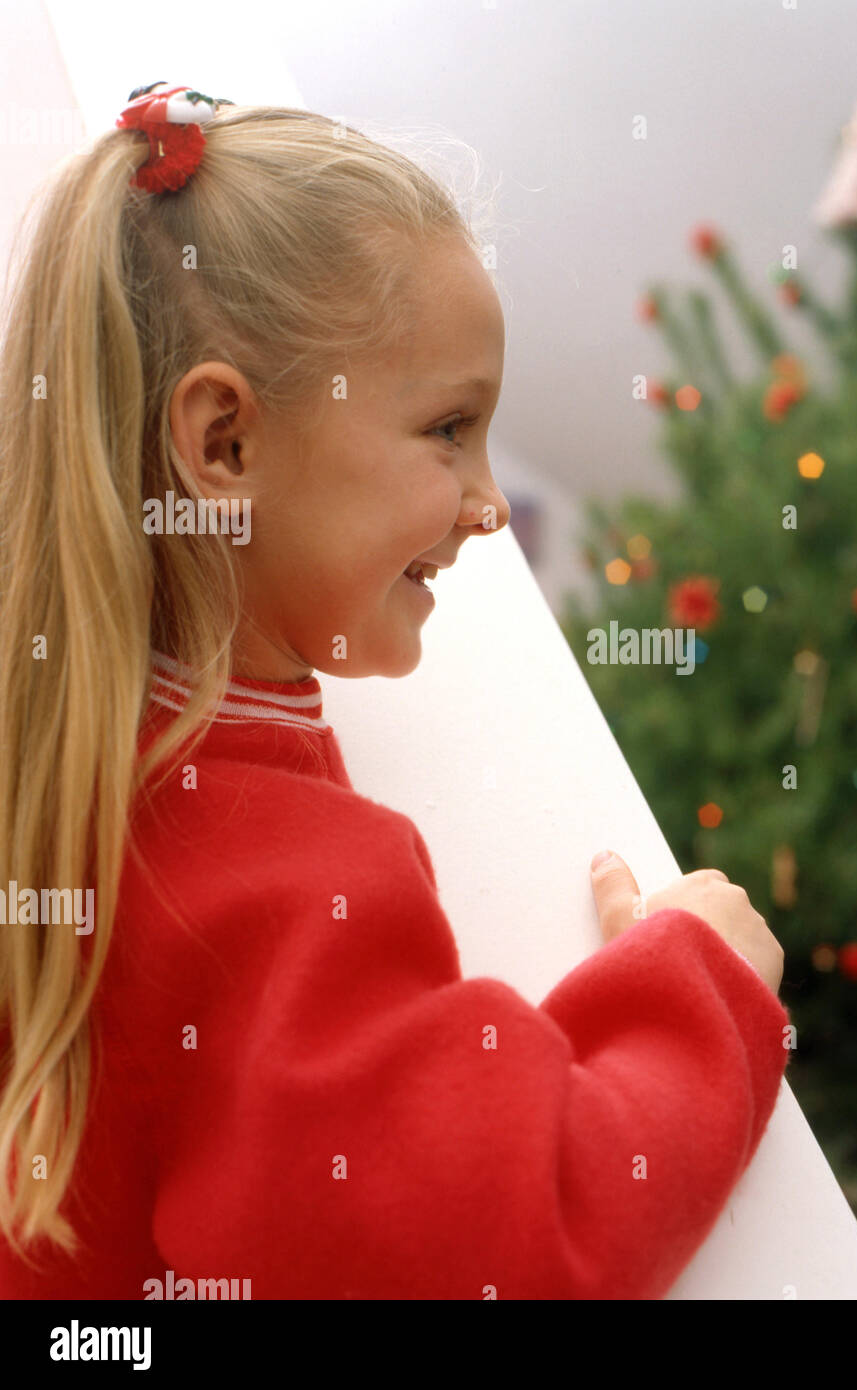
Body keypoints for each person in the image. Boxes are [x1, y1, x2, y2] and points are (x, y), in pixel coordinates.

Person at [0, 84, 788, 1298]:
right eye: (447, 427)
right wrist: (704, 985)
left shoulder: (70, 787)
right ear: (224, 446)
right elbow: (514, 1241)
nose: (489, 503)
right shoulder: (275, 885)